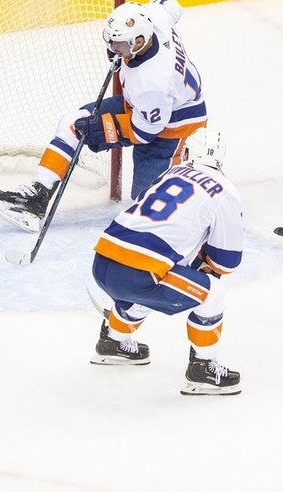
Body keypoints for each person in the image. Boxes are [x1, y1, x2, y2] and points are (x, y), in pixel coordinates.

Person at [0, 0, 207, 231]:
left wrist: (104, 131)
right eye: (112, 43)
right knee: (73, 123)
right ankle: (35, 199)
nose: (114, 49)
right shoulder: (154, 18)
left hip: (174, 126)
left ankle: (199, 195)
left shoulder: (151, 82)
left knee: (150, 214)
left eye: (120, 46)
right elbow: (168, 3)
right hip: (144, 107)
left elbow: (145, 132)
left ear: (140, 41)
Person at [88, 128, 242, 395]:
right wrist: (204, 263)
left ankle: (113, 341)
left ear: (185, 153)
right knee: (212, 292)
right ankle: (203, 369)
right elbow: (226, 262)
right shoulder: (225, 191)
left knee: (159, 276)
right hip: (139, 275)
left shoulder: (169, 173)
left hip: (101, 262)